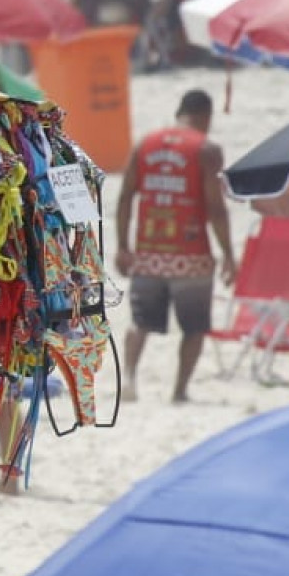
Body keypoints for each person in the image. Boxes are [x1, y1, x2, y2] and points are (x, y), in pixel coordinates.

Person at [113, 89, 237, 404]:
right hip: (191, 255)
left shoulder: (145, 144)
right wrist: (228, 255)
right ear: (206, 117)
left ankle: (128, 378)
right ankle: (179, 390)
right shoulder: (206, 149)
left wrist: (123, 246)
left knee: (140, 321)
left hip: (149, 249)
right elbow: (216, 209)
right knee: (194, 326)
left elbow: (126, 197)